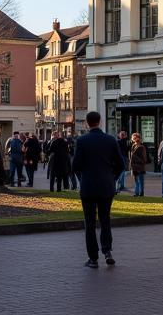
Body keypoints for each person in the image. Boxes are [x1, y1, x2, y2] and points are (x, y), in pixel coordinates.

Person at [71, 111, 124, 269]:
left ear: (87, 123)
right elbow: (121, 164)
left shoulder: (81, 141)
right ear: (100, 122)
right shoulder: (110, 140)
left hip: (88, 186)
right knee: (105, 219)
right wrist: (111, 177)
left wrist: (82, 179)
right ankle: (107, 251)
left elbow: (75, 166)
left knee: (90, 223)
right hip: (106, 185)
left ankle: (93, 258)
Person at [129, 132, 148, 197]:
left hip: (139, 166)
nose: (133, 138)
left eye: (135, 137)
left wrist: (136, 160)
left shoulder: (141, 147)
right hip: (134, 166)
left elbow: (144, 158)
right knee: (136, 181)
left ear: (138, 138)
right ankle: (136, 193)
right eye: (133, 137)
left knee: (140, 180)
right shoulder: (133, 146)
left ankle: (141, 193)